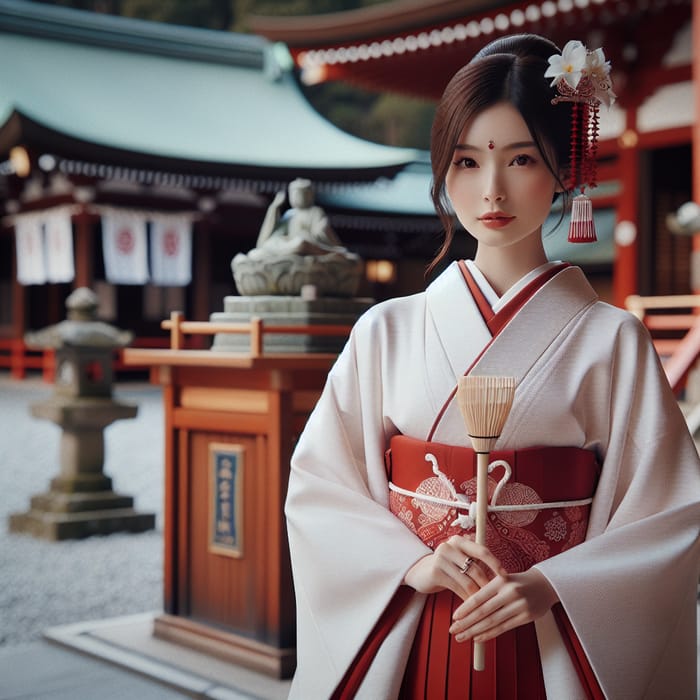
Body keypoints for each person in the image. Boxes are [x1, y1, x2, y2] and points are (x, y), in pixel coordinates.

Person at [285, 33, 700, 699]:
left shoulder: (614, 340)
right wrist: (409, 563)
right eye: (467, 162)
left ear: (565, 168)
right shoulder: (384, 331)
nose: (492, 189)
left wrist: (551, 582)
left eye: (521, 159)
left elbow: (668, 514)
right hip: (421, 622)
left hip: (552, 630)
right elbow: (319, 488)